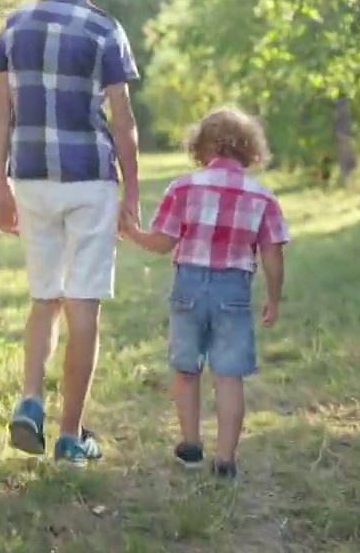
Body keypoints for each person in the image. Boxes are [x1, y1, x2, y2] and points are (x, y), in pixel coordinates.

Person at [0, 0, 141, 467]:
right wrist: (133, 194)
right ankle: (71, 436)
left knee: (43, 296)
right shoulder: (105, 30)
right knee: (83, 306)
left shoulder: (15, 24)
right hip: (90, 179)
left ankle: (30, 401)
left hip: (29, 176)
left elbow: (0, 111)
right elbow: (122, 122)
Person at [122, 106, 289, 479]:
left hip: (189, 286)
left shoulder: (183, 187)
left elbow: (163, 242)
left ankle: (191, 444)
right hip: (234, 290)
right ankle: (226, 459)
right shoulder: (262, 196)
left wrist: (133, 231)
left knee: (186, 368)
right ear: (248, 148)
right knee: (229, 375)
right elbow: (273, 255)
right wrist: (274, 298)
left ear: (202, 145)